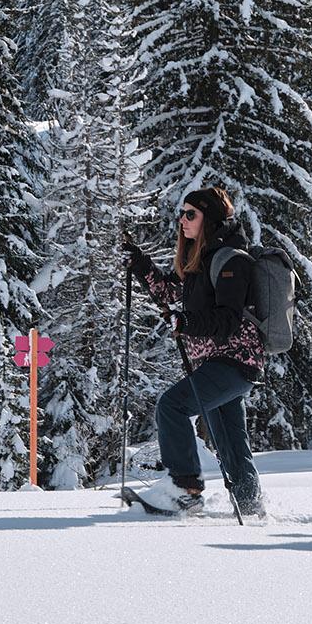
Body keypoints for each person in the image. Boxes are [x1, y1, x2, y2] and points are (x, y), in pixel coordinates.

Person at [120, 185, 265, 517]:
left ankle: (185, 490)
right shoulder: (199, 260)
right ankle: (252, 507)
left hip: (234, 362)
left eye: (190, 214)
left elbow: (227, 320)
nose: (182, 220)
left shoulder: (232, 260)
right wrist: (141, 264)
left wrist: (186, 322)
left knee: (172, 405)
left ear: (208, 217)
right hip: (215, 364)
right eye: (181, 213)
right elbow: (168, 291)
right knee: (229, 440)